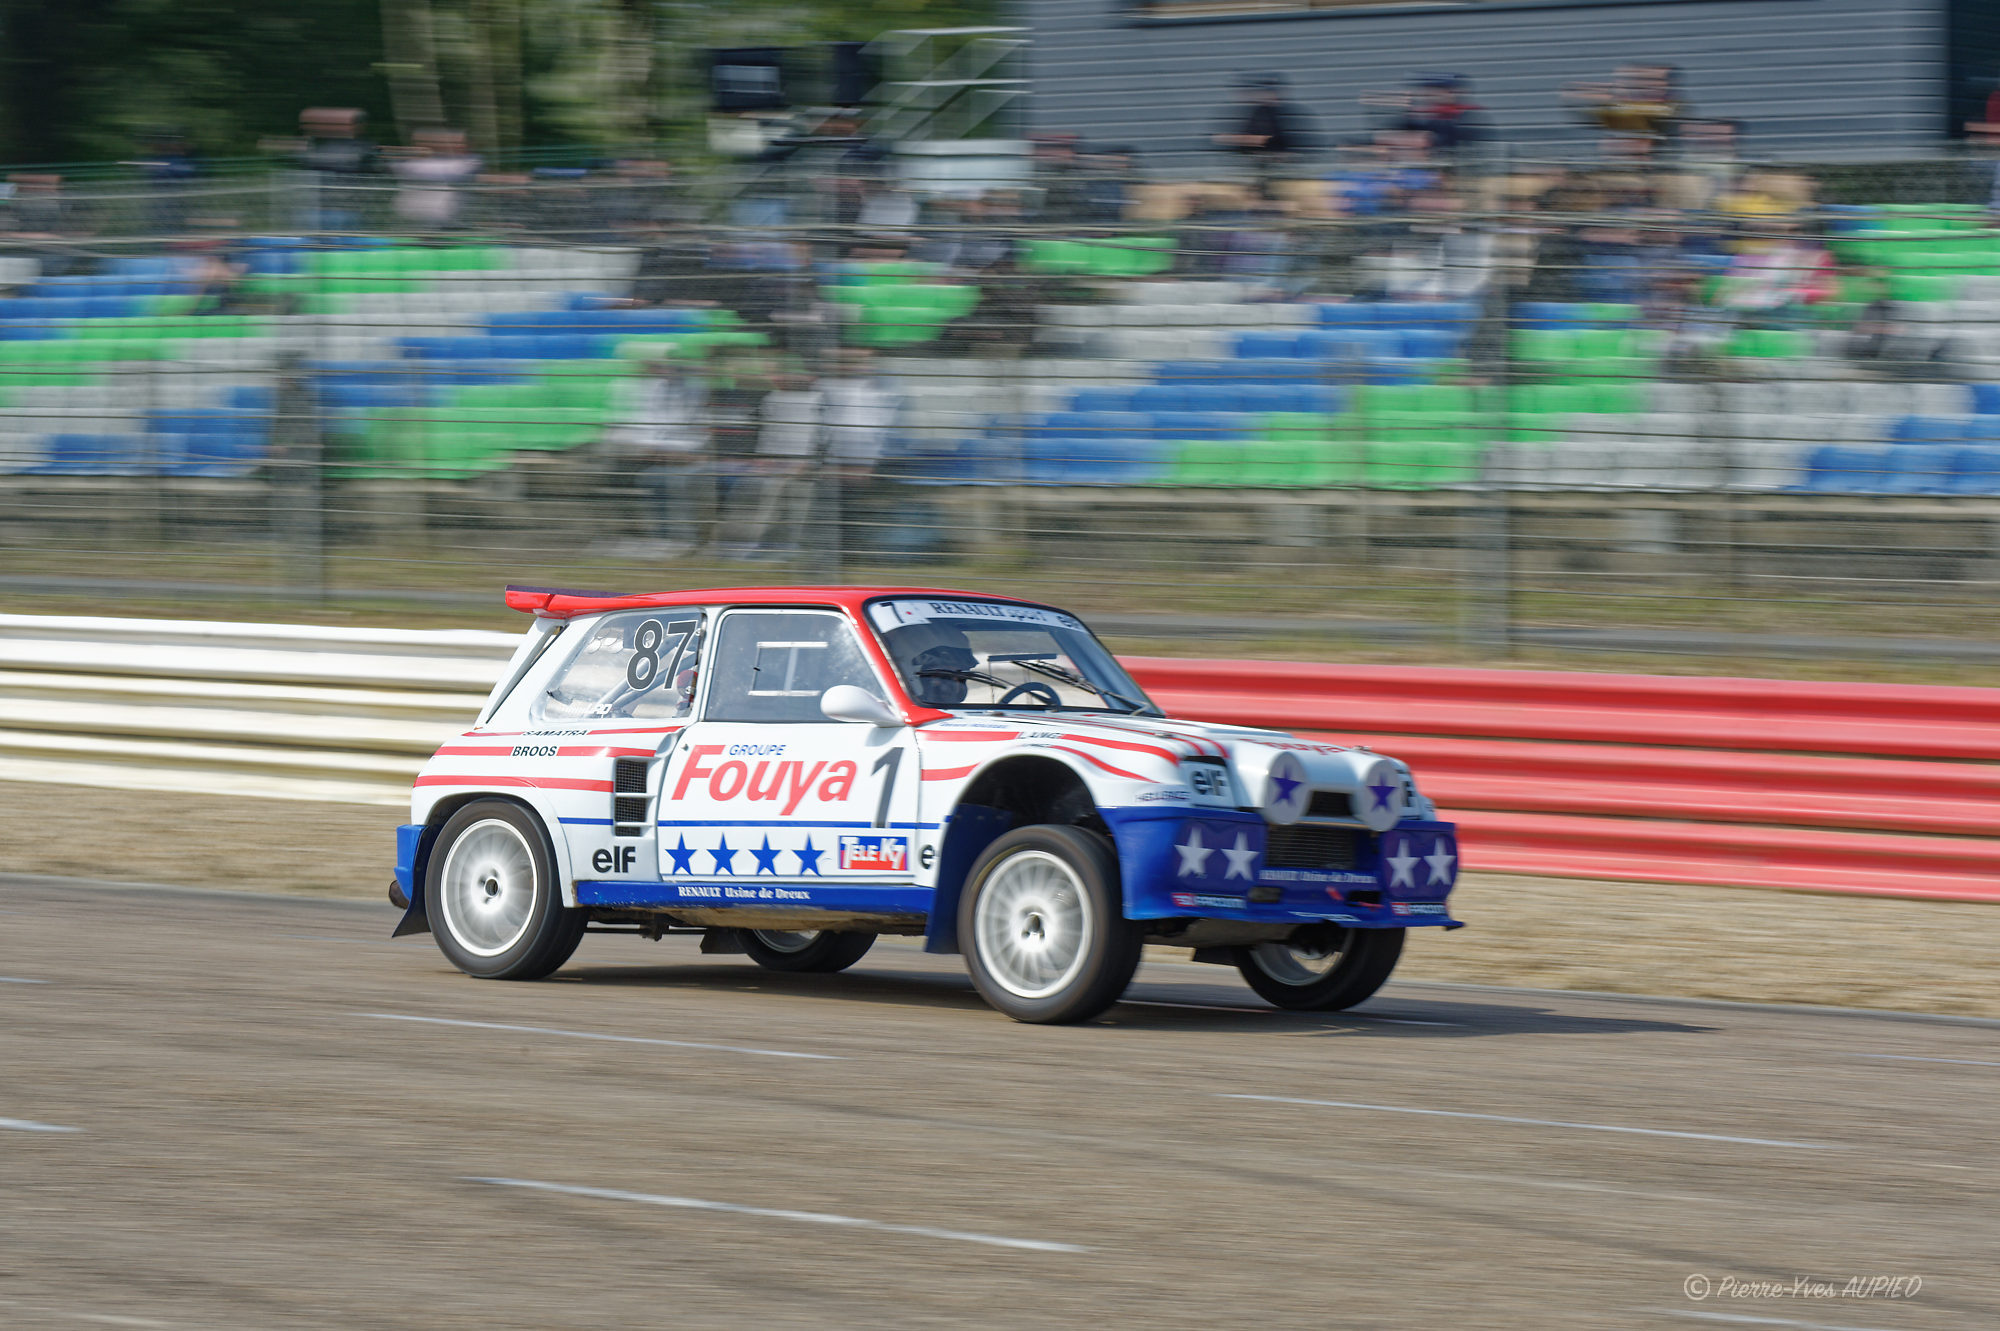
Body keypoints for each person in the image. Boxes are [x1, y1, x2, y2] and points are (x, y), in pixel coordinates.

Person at [612, 353, 711, 555]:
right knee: (653, 478)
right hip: (661, 454)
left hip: (688, 455)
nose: (660, 370)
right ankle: (664, 537)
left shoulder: (696, 389)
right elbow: (645, 426)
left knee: (671, 480)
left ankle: (683, 539)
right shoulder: (653, 388)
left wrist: (675, 452)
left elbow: (695, 430)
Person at [1214, 73, 1307, 193]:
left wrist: (1230, 139)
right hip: (1258, 165)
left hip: (1279, 166)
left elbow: (1264, 140)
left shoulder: (1283, 113)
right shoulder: (1258, 112)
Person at [392, 128, 481, 231]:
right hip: (422, 213)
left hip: (449, 214)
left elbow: (460, 173)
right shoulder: (414, 163)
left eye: (460, 142)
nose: (459, 146)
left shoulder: (466, 161)